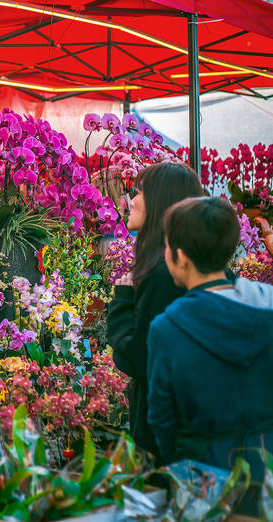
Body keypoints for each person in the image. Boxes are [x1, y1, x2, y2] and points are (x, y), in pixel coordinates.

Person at [147, 197, 273, 515]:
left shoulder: (168, 327)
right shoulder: (268, 304)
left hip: (202, 477)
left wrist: (180, 462)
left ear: (181, 256)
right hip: (267, 465)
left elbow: (162, 418)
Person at [107, 162, 204, 457]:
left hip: (166, 437)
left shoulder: (167, 275)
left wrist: (122, 301)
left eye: (139, 192)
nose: (131, 200)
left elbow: (138, 358)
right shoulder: (185, 267)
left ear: (161, 202)